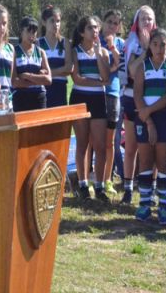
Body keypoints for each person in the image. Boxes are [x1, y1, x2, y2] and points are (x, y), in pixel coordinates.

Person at [133, 28, 166, 225]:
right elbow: (137, 94)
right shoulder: (142, 67)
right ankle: (144, 205)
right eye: (155, 44)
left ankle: (163, 207)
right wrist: (148, 120)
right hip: (145, 118)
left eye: (163, 44)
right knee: (145, 160)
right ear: (149, 46)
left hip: (165, 117)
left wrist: (149, 111)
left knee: (163, 162)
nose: (159, 48)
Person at [70, 15, 111, 202]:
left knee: (101, 145)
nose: (94, 31)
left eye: (96, 28)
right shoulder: (75, 51)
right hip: (80, 97)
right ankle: (83, 184)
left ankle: (100, 186)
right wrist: (97, 82)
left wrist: (97, 53)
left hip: (98, 100)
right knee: (82, 143)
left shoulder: (102, 52)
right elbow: (77, 78)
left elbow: (106, 78)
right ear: (81, 32)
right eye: (90, 28)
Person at [120, 6, 157, 204]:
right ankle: (127, 189)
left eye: (150, 19)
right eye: (143, 19)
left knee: (152, 144)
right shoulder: (132, 44)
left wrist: (151, 46)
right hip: (131, 97)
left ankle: (150, 190)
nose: (146, 22)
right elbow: (133, 71)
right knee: (132, 145)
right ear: (137, 22)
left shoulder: (159, 42)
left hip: (152, 99)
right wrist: (145, 51)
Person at [100, 9, 125, 197]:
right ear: (103, 22)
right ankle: (95, 178)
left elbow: (120, 66)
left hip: (113, 93)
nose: (112, 26)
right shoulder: (94, 40)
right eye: (109, 21)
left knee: (111, 141)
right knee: (95, 140)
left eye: (116, 23)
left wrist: (112, 48)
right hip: (96, 92)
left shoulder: (120, 44)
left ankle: (108, 179)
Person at [11, 16, 51, 111]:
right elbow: (14, 82)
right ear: (21, 31)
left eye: (34, 32)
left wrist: (27, 75)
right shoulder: (14, 51)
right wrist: (38, 79)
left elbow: (48, 80)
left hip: (39, 98)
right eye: (28, 31)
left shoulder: (41, 52)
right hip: (20, 98)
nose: (31, 35)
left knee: (40, 126)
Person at [38, 6, 73, 107]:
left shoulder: (65, 42)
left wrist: (47, 74)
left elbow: (69, 69)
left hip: (60, 90)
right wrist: (61, 70)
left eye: (58, 21)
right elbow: (38, 72)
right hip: (43, 91)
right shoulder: (38, 43)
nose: (56, 24)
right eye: (52, 21)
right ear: (44, 22)